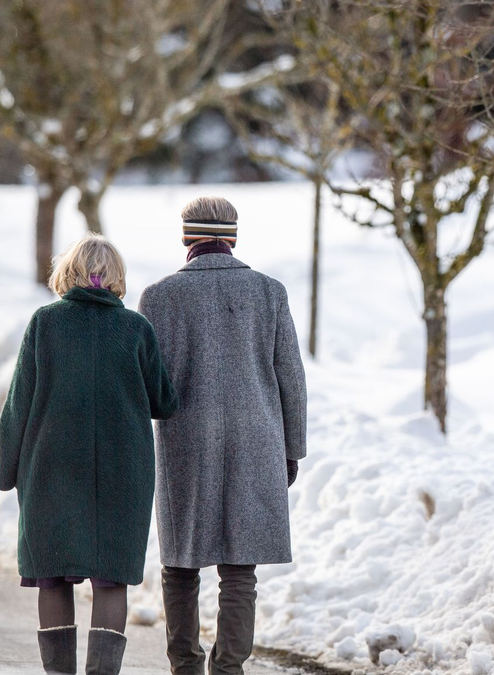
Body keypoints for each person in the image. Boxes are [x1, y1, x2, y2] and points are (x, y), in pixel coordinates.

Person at [0, 234, 179, 675]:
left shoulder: (45, 323)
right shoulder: (136, 329)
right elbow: (165, 403)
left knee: (53, 576)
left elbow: (18, 406)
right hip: (122, 474)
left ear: (68, 272)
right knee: (111, 580)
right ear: (116, 277)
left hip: (51, 470)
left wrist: (3, 473)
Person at [139, 196, 307, 675]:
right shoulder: (269, 292)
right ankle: (229, 668)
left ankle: (185, 665)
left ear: (187, 237)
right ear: (233, 236)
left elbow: (147, 381)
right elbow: (291, 378)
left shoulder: (159, 297)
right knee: (239, 569)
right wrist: (292, 449)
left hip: (184, 444)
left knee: (180, 566)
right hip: (257, 441)